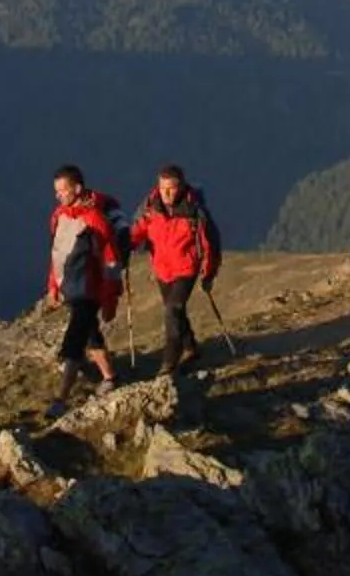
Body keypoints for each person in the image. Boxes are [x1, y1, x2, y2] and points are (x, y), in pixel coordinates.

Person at [128, 163, 223, 375]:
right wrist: (125, 244)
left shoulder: (194, 213)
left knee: (172, 310)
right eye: (163, 189)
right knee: (177, 312)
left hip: (186, 269)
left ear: (181, 187)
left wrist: (208, 273)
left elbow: (210, 245)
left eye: (171, 188)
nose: (167, 194)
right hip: (162, 269)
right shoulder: (152, 208)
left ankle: (169, 362)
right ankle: (191, 348)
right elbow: (139, 231)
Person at [45, 164, 124, 417]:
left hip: (89, 291)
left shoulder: (94, 220)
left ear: (77, 189)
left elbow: (111, 260)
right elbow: (57, 255)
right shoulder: (59, 216)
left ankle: (60, 399)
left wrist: (110, 299)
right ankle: (110, 377)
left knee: (74, 341)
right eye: (56, 191)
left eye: (63, 190)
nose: (59, 195)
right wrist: (53, 288)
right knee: (90, 334)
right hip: (70, 288)